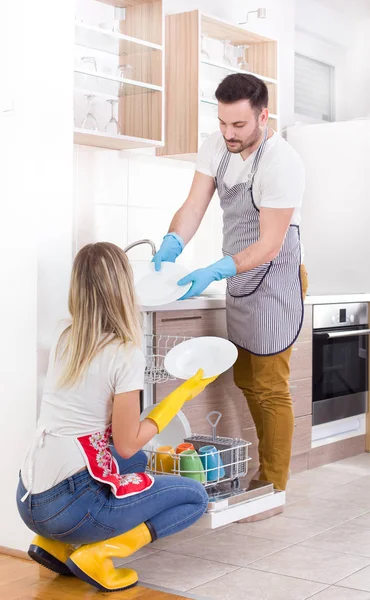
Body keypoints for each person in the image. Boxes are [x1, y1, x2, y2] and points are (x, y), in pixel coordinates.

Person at [17, 242, 216, 593]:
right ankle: (99, 554)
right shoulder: (124, 353)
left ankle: (52, 544)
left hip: (29, 499)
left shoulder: (66, 335)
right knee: (194, 496)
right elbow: (125, 444)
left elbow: (112, 438)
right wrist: (180, 395)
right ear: (124, 287)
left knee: (139, 461)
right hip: (70, 507)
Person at [153, 73, 308, 519]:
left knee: (271, 387)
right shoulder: (216, 146)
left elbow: (271, 243)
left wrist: (218, 268)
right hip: (241, 277)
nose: (229, 134)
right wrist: (173, 242)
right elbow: (194, 206)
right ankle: (260, 477)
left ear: (263, 115)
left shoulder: (283, 162)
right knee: (246, 382)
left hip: (275, 275)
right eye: (223, 123)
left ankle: (273, 485)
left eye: (239, 125)